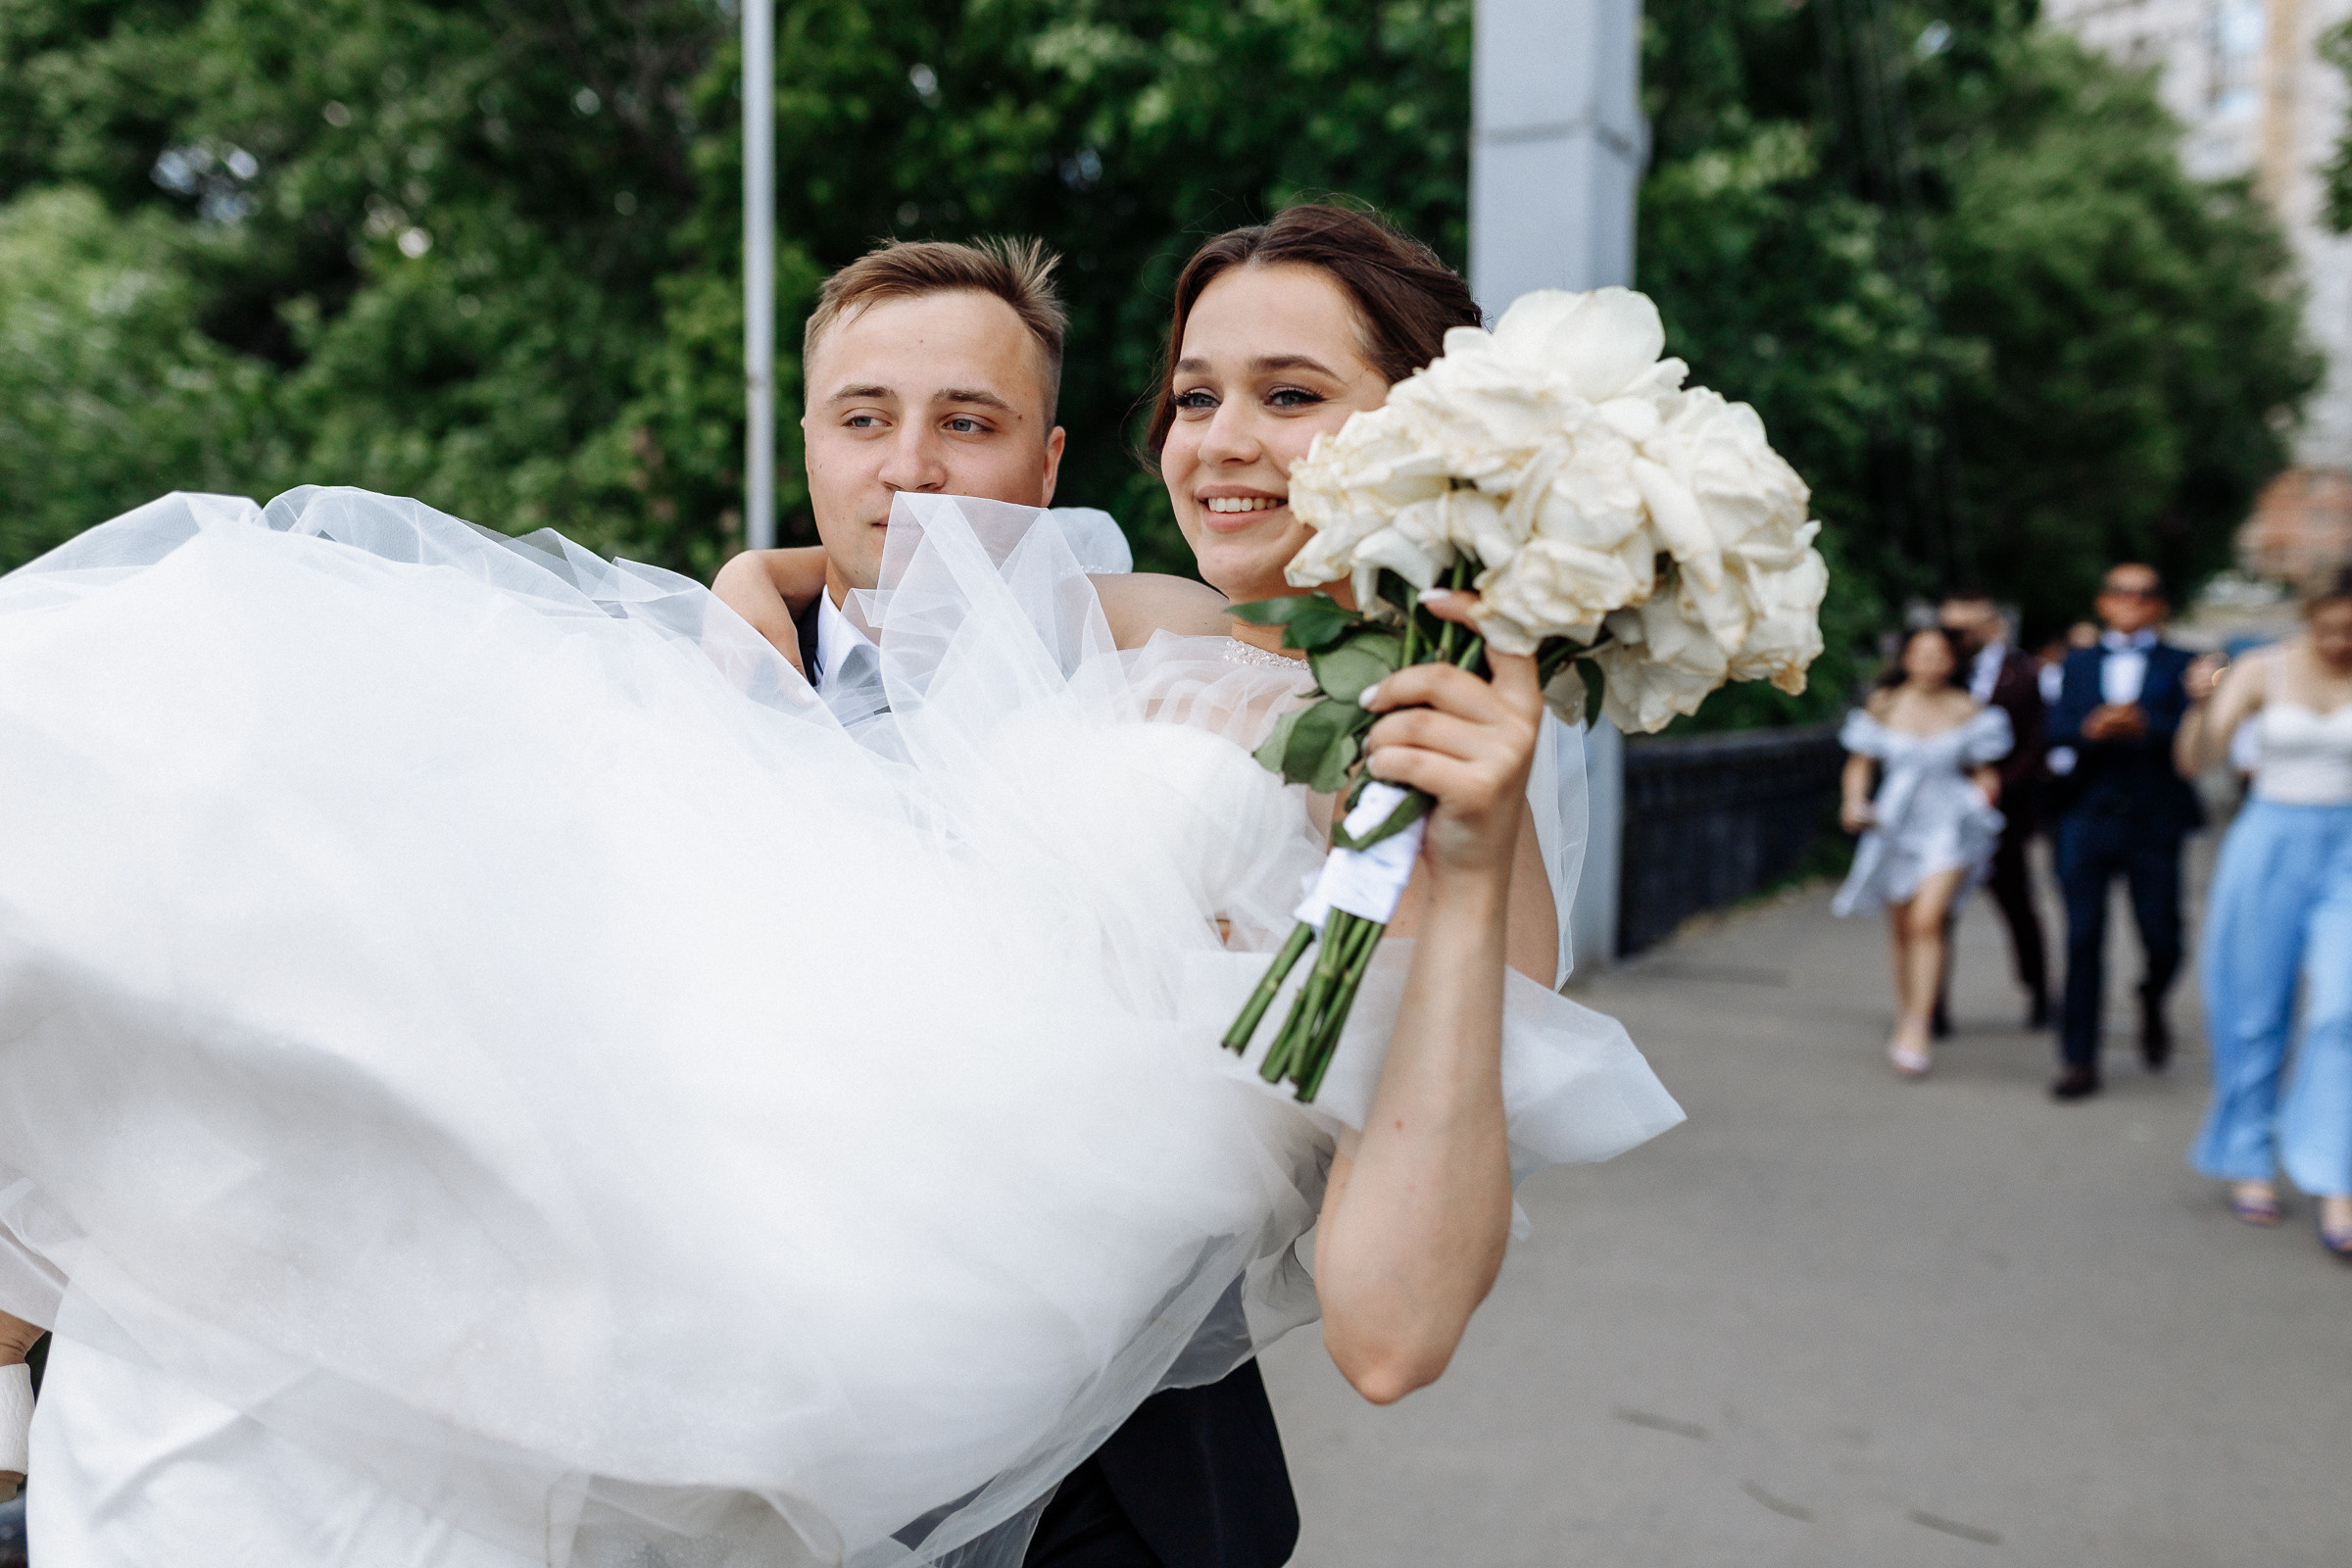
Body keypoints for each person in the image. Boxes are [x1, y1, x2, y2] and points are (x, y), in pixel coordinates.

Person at [0, 216, 1679, 1568]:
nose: (1226, 440)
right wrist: (755, 592)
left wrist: (1452, 856)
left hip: (1054, 1437)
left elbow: (1392, 1328)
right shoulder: (1127, 621)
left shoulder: (1420, 781)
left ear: (1429, 439)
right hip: (754, 1350)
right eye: (1197, 395)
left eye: (1292, 395)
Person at [2177, 566, 2352, 1258]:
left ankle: (2336, 1172)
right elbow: (2200, 760)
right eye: (2329, 627)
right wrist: (2198, 706)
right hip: (2270, 841)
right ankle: (2250, 1153)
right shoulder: (2260, 669)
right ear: (2308, 616)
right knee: (2252, 1009)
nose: (2340, 642)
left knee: (2342, 1010)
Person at [2042, 564, 2205, 1101]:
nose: (2132, 602)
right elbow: (2055, 730)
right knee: (2082, 937)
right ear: (2103, 601)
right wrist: (2091, 729)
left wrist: (2147, 726)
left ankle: (2152, 997)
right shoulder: (2078, 662)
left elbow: (2198, 732)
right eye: (2121, 593)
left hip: (2155, 817)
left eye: (2144, 594)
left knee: (2163, 937)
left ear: (2159, 604)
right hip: (2087, 814)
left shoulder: (2185, 664)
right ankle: (2078, 1059)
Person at [1831, 625, 2013, 1077]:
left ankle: (1918, 1024)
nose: (1930, 663)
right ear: (1906, 657)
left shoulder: (1970, 710)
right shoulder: (1884, 706)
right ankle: (1907, 1007)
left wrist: (1983, 798)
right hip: (1895, 822)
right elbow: (1860, 764)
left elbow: (1986, 771)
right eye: (1921, 653)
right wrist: (1854, 802)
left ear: (1953, 660)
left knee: (1928, 920)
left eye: (1939, 654)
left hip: (1948, 824)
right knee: (1901, 927)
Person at [1936, 591, 2051, 1030]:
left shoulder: (2024, 674)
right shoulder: (1943, 671)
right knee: (1937, 908)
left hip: (2005, 810)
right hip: (1945, 810)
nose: (1956, 638)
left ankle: (2039, 990)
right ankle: (1933, 1001)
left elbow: (2036, 740)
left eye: (1964, 629)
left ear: (1990, 626)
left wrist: (2001, 785)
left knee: (2017, 906)